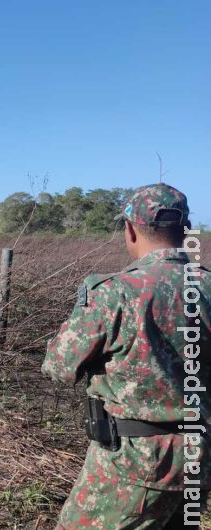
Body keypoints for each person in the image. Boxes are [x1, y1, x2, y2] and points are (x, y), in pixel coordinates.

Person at [42, 183, 211, 528]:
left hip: (135, 461)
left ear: (131, 229)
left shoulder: (114, 291)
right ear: (185, 229)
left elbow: (59, 366)